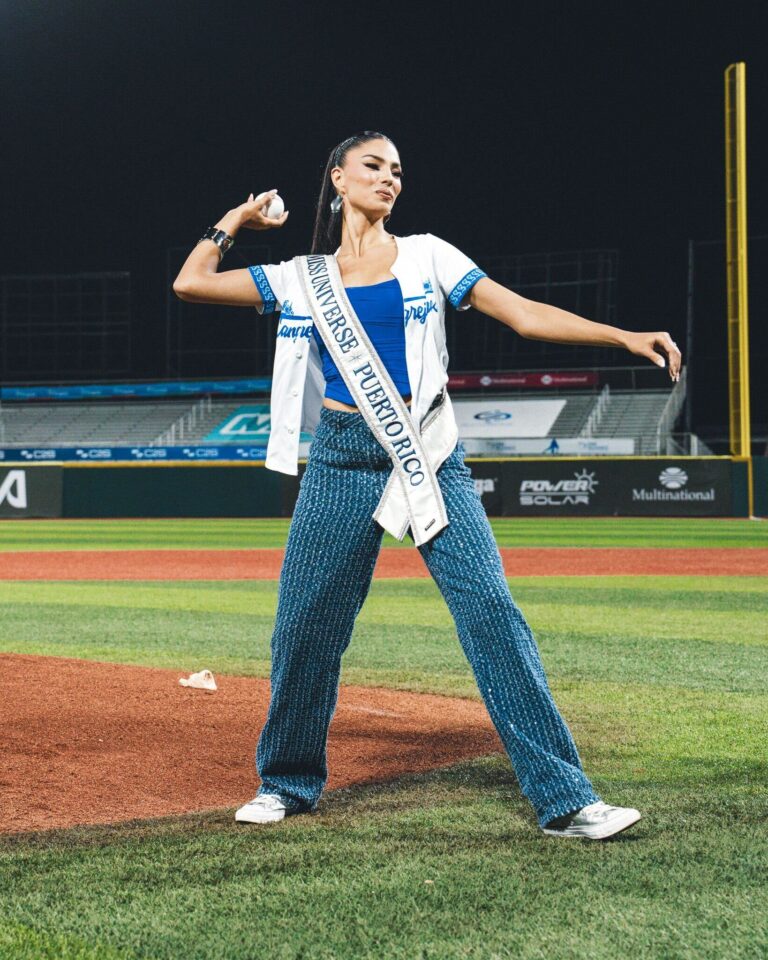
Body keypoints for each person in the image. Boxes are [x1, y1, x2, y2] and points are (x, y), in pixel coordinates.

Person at [173, 130, 682, 840]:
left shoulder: (430, 255)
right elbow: (190, 281)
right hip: (342, 459)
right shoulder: (298, 275)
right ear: (338, 179)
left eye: (398, 171)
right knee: (305, 629)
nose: (390, 179)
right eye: (374, 167)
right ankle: (286, 782)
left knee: (492, 618)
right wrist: (237, 220)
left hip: (429, 455)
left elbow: (524, 314)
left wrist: (622, 337)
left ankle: (566, 799)